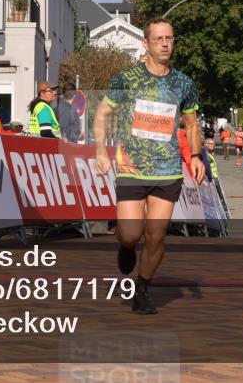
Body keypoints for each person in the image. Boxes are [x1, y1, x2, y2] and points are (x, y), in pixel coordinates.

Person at [93, 18, 205, 315]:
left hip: (167, 171)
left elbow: (192, 124)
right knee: (131, 233)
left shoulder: (184, 83)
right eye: (159, 39)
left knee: (156, 235)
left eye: (170, 38)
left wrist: (195, 156)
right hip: (132, 168)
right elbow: (102, 113)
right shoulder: (127, 79)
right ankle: (126, 247)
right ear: (146, 43)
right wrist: (101, 151)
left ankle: (142, 290)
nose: (166, 43)